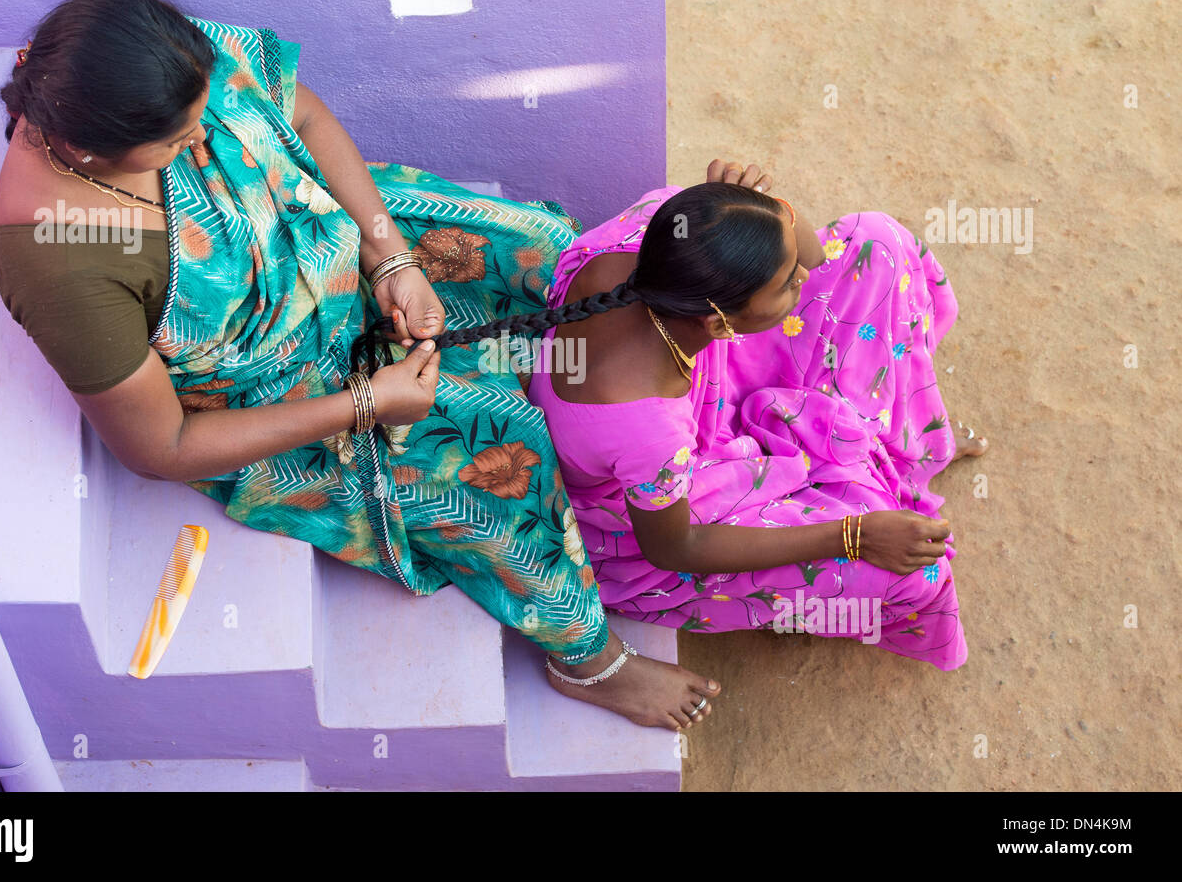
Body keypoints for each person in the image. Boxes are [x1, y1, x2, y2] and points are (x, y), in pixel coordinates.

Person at [0, 0, 719, 733]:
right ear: (86, 151)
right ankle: (589, 661)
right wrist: (372, 403)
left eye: (203, 116)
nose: (203, 138)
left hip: (334, 237)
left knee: (543, 253)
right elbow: (160, 444)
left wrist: (390, 257)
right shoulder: (64, 260)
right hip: (291, 391)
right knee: (501, 450)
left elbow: (299, 116)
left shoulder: (152, 55)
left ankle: (638, 405)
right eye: (178, 144)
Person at [422, 161, 988, 671]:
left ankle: (900, 437)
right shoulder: (644, 429)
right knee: (914, 571)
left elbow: (814, 257)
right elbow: (676, 548)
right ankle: (887, 442)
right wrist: (852, 535)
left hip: (707, 372)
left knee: (876, 243)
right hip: (664, 508)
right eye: (785, 286)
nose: (803, 281)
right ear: (720, 322)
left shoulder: (657, 226)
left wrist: (761, 215)